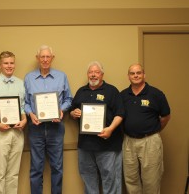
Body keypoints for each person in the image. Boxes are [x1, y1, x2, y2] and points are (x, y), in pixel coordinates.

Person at [70, 61, 125, 194]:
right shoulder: (81, 91)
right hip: (85, 145)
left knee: (110, 179)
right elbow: (72, 110)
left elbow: (120, 114)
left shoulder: (112, 91)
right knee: (88, 179)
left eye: (96, 72)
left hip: (107, 145)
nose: (93, 75)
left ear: (102, 74)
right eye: (90, 72)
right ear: (87, 74)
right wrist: (73, 113)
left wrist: (110, 129)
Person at [24, 45, 73, 194]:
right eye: (42, 57)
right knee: (36, 168)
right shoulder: (28, 78)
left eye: (48, 57)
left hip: (56, 128)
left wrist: (61, 110)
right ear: (37, 58)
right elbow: (25, 102)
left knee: (57, 168)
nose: (45, 60)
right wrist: (30, 114)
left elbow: (68, 99)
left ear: (52, 58)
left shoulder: (61, 76)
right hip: (35, 128)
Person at [120, 63, 171, 194]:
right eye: (132, 73)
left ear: (144, 75)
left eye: (138, 73)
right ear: (128, 76)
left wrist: (153, 132)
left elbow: (165, 116)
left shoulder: (156, 94)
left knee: (151, 180)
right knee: (131, 180)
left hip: (150, 141)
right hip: (128, 142)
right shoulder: (123, 95)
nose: (135, 75)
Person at [0, 51, 27, 194]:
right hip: (0, 132)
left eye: (12, 63)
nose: (9, 66)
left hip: (17, 132)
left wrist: (25, 119)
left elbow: (22, 106)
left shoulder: (21, 83)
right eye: (6, 63)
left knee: (13, 173)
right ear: (0, 65)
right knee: (0, 173)